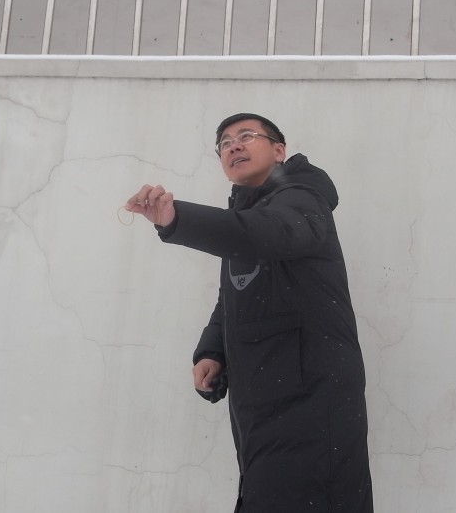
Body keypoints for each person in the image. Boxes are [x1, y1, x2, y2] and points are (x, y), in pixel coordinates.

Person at [125, 113, 373, 512]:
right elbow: (234, 295)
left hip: (310, 398)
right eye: (224, 143)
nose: (234, 146)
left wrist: (175, 219)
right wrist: (213, 351)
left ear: (279, 151)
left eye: (246, 136)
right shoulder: (247, 217)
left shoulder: (302, 198)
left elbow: (271, 233)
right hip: (261, 399)